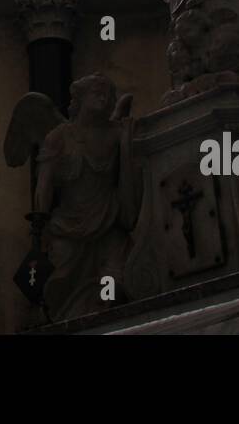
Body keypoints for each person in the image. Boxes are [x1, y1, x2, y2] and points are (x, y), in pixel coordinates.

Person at [34, 74, 139, 322]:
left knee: (114, 284)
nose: (104, 97)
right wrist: (39, 225)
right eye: (97, 92)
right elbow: (44, 184)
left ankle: (102, 318)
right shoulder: (59, 137)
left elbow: (134, 168)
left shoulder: (117, 133)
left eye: (108, 94)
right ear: (79, 99)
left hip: (109, 222)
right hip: (68, 228)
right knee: (59, 287)